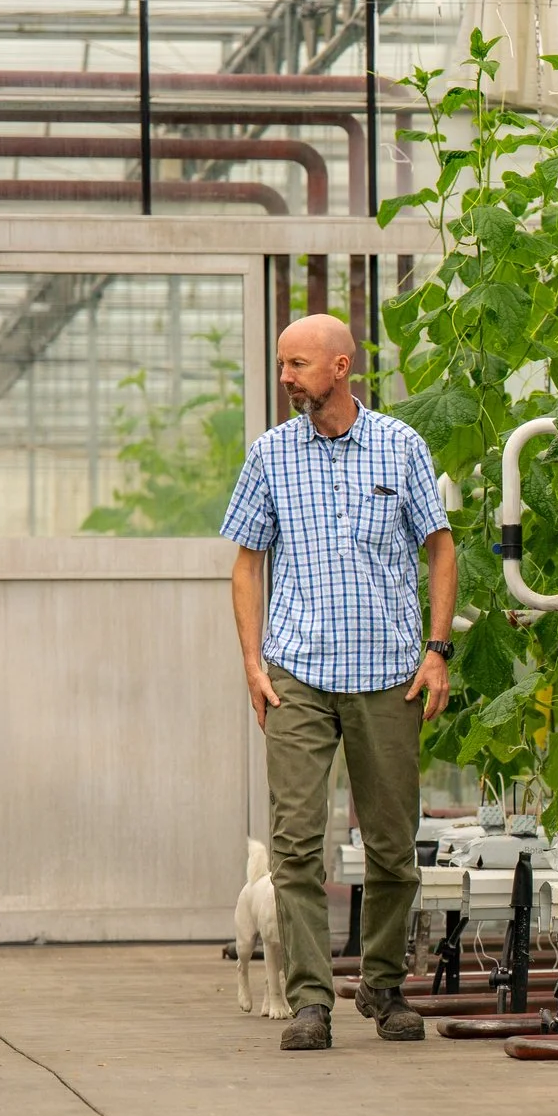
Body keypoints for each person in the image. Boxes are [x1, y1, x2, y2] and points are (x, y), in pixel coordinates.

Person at [220, 314, 458, 1051]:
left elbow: (441, 550)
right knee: (295, 844)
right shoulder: (270, 456)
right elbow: (246, 562)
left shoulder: (400, 446)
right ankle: (311, 1000)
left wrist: (437, 649)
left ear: (341, 367)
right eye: (284, 364)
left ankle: (383, 985)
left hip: (388, 674)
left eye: (297, 364)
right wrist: (253, 662)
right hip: (298, 675)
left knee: (391, 844)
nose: (286, 376)